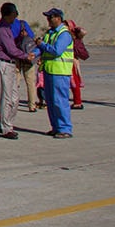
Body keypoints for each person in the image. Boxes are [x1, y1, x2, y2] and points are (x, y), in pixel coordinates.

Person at [0, 3, 34, 139]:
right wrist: (26, 55)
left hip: (9, 64)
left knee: (14, 97)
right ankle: (5, 127)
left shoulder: (6, 28)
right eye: (15, 13)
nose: (16, 16)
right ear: (10, 14)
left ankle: (7, 123)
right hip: (3, 63)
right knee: (7, 96)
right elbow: (10, 49)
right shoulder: (2, 29)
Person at [35, 8, 75, 138]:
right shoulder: (50, 33)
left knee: (60, 101)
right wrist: (32, 54)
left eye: (50, 17)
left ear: (58, 18)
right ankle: (56, 127)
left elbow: (56, 51)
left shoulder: (64, 34)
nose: (48, 20)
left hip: (60, 72)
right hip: (49, 70)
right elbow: (42, 49)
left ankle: (65, 128)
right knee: (51, 101)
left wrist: (41, 45)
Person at [67, 19, 88, 110]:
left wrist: (75, 29)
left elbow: (83, 32)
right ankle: (77, 101)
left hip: (71, 62)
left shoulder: (73, 37)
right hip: (69, 61)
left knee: (74, 82)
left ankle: (77, 102)